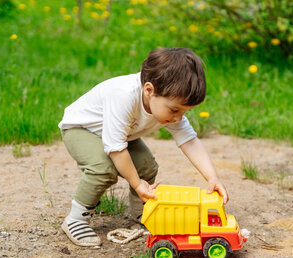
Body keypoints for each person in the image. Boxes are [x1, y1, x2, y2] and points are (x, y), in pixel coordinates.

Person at [58, 47, 229, 247]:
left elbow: (189, 140)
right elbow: (116, 149)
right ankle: (76, 219)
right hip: (82, 129)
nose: (178, 118)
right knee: (102, 170)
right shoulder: (123, 96)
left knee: (147, 166)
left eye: (184, 112)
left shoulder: (165, 98)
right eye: (174, 110)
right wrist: (137, 184)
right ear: (149, 90)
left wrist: (212, 177)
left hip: (120, 135)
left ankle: (140, 215)